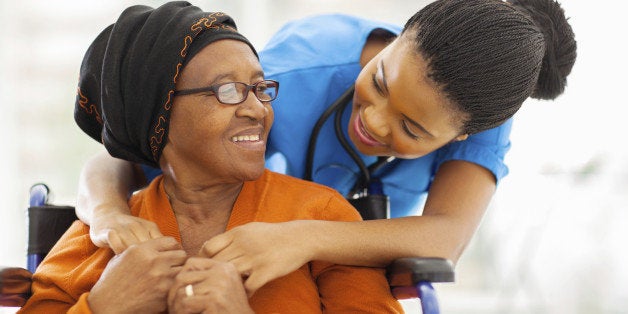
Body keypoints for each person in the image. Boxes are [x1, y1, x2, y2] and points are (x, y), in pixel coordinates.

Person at [76, 0, 577, 296]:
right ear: (399, 39)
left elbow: (445, 237)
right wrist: (106, 213)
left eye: (412, 128)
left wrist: (303, 237)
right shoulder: (296, 72)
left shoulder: (481, 117)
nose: (373, 121)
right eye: (379, 81)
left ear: (461, 135)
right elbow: (122, 152)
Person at [19, 2, 403, 313]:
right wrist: (103, 306)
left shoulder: (321, 216)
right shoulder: (100, 235)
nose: (258, 109)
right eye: (228, 90)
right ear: (159, 115)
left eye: (259, 87)